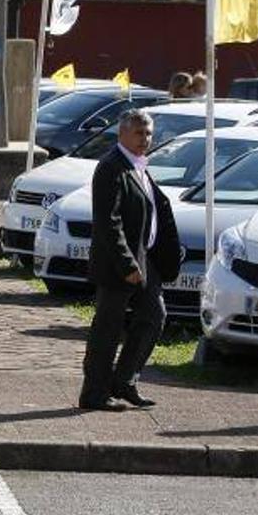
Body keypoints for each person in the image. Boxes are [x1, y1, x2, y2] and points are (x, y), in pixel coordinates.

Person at [79, 109, 181, 412]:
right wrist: (127, 264)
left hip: (145, 259)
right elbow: (107, 222)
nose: (145, 139)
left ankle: (125, 381)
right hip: (118, 264)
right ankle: (94, 393)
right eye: (139, 133)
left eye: (148, 133)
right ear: (122, 134)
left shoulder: (139, 165)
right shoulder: (111, 166)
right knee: (107, 329)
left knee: (154, 316)